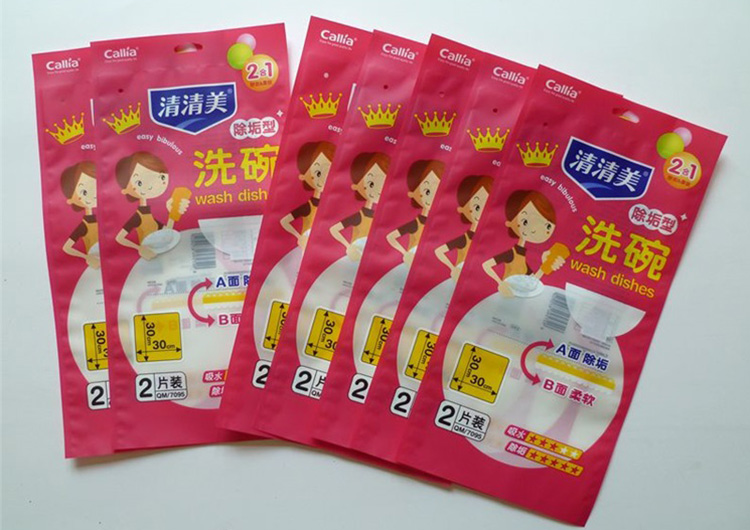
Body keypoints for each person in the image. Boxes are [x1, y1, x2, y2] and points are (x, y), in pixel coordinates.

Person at [482, 189, 565, 296]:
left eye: (547, 226)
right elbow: (486, 265)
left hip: (518, 297)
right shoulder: (511, 254)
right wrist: (500, 283)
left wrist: (545, 265)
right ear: (509, 223)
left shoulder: (522, 258)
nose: (535, 229)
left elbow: (532, 282)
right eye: (525, 222)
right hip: (505, 296)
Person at [114, 151, 190, 260]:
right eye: (140, 182)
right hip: (148, 259)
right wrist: (140, 248)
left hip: (160, 255)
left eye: (161, 178)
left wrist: (172, 213)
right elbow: (119, 238)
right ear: (126, 189)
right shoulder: (137, 217)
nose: (150, 186)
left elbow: (167, 233)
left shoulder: (149, 216)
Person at [329, 152, 390, 261]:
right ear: (356, 185)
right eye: (371, 184)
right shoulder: (359, 217)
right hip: (355, 258)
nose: (378, 190)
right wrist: (349, 247)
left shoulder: (379, 218)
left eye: (382, 184)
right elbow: (334, 229)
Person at [386, 159, 444, 266]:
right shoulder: (416, 224)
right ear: (413, 193)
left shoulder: (436, 226)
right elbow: (391, 237)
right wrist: (406, 253)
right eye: (427, 191)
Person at [434, 175, 493, 281]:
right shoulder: (464, 239)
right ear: (463, 208)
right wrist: (453, 268)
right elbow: (439, 251)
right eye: (477, 207)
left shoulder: (486, 241)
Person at [280, 141, 335, 249]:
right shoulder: (308, 207)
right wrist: (300, 237)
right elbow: (284, 221)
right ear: (303, 176)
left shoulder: (329, 206)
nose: (324, 178)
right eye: (318, 173)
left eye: (328, 172)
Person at [61, 161, 100, 269]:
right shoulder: (84, 226)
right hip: (94, 265)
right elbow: (67, 248)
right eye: (85, 192)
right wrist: (87, 257)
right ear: (71, 198)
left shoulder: (101, 220)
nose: (93, 195)